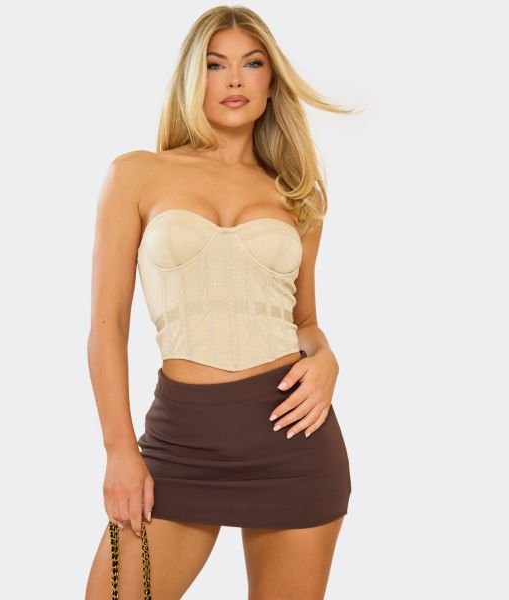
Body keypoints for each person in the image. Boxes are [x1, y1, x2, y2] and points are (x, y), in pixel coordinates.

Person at [85, 6, 357, 599]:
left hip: (293, 442)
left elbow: (304, 320)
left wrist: (327, 360)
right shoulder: (137, 175)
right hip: (179, 444)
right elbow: (108, 325)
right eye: (215, 65)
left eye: (251, 64)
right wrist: (119, 450)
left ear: (271, 81)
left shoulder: (298, 194)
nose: (234, 79)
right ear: (192, 77)